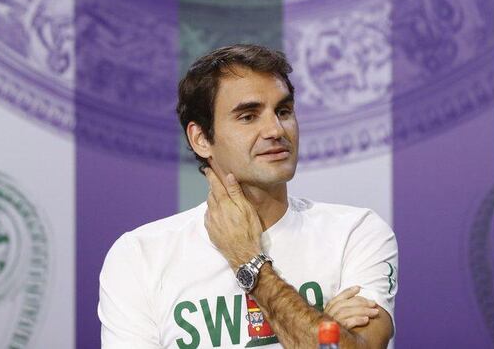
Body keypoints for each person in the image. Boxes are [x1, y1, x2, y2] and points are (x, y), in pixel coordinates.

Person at [99, 44, 398, 348]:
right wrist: (321, 330)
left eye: (283, 111)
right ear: (201, 139)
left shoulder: (355, 233)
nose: (275, 129)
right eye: (248, 116)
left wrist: (248, 261)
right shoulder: (139, 256)